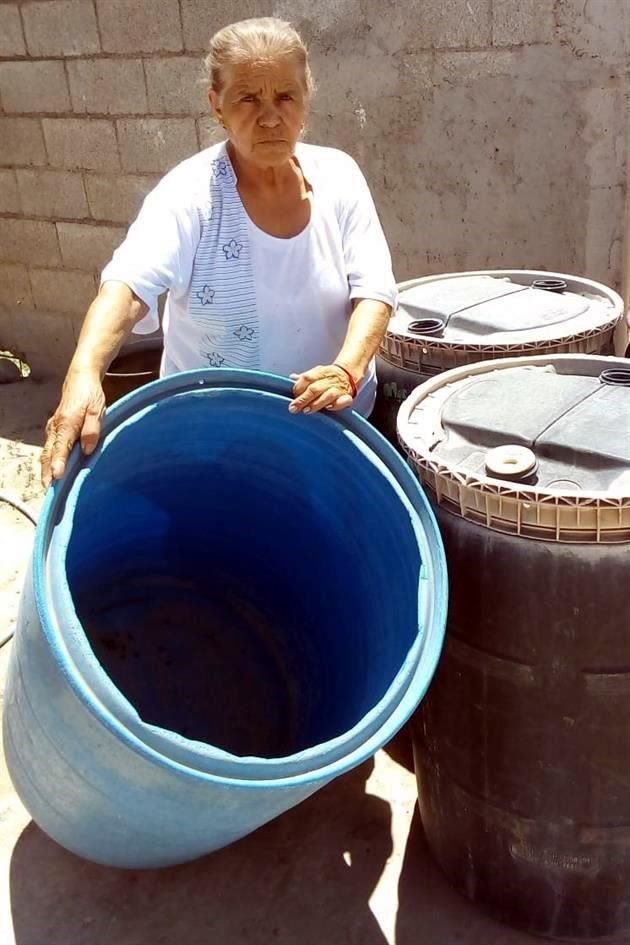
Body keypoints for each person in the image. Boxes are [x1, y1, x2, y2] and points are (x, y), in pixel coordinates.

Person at [41, 17, 396, 487]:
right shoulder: (191, 195)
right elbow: (128, 285)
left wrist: (346, 372)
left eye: (285, 96)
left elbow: (374, 288)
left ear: (307, 97)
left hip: (331, 424)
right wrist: (83, 374)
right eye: (248, 98)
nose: (270, 116)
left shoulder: (340, 176)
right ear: (217, 106)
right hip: (219, 432)